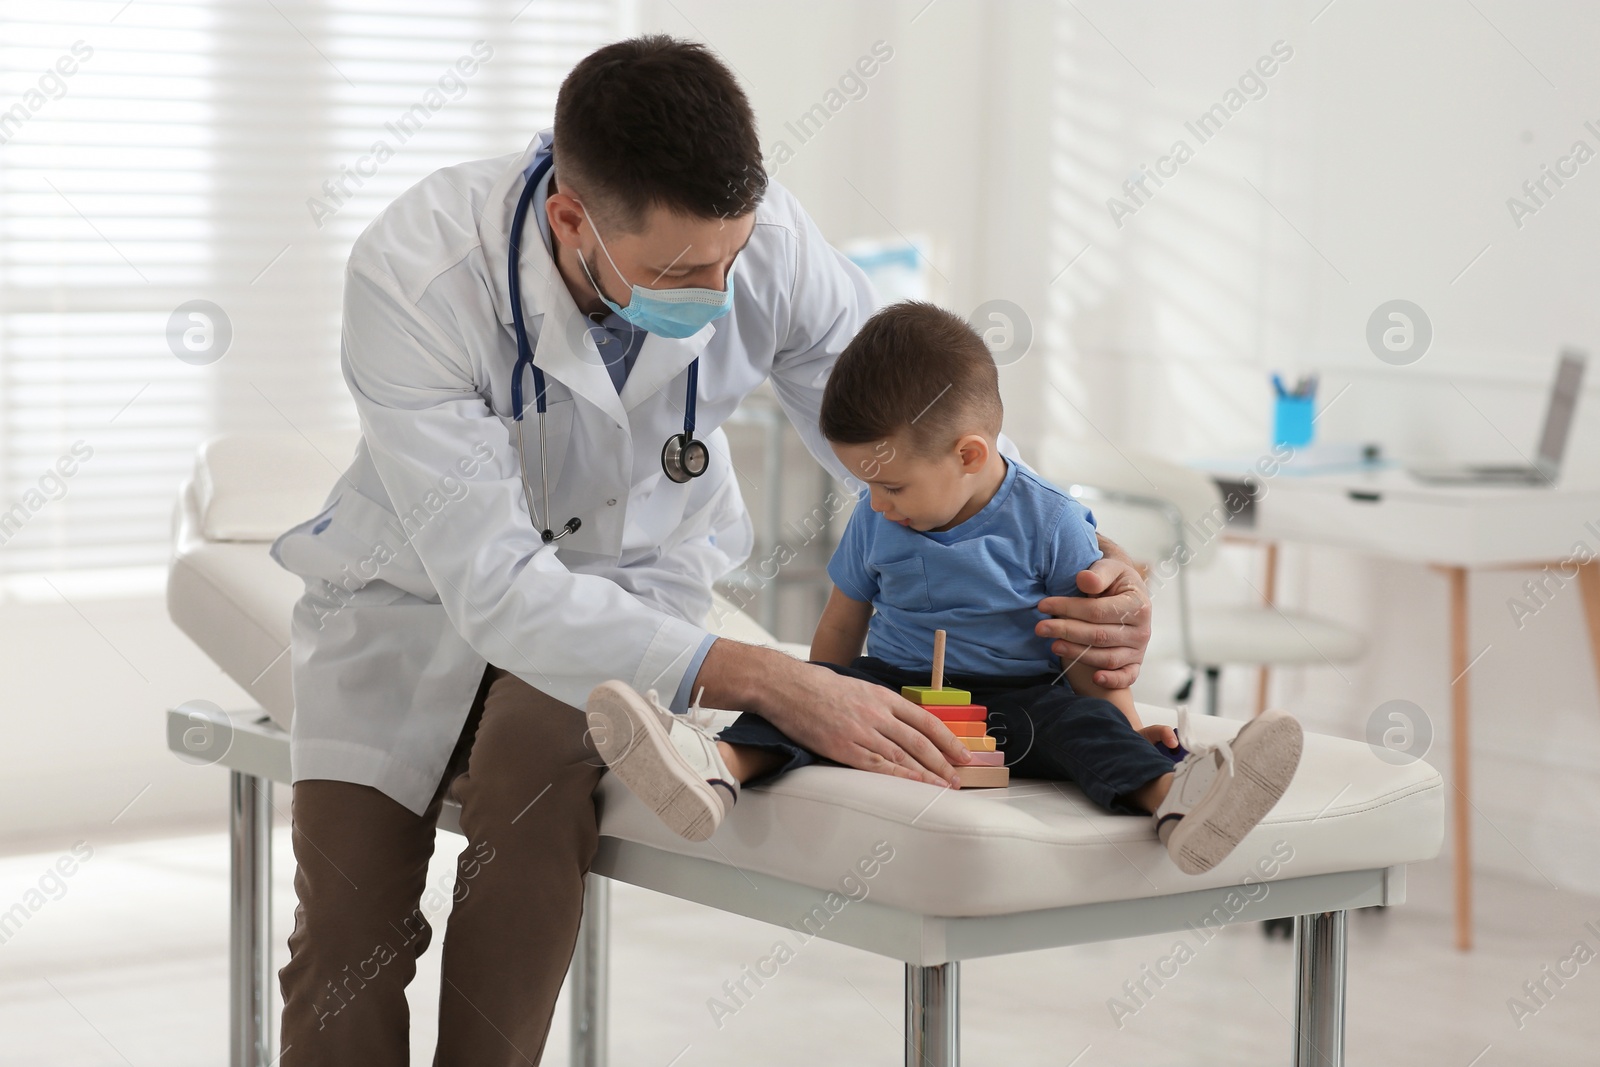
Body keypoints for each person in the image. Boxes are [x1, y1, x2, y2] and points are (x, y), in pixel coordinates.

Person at [270, 36, 1157, 1064]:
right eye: (681, 270)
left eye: (731, 256)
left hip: (629, 597)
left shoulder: (764, 242)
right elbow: (496, 584)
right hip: (406, 600)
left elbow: (925, 430)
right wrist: (777, 680)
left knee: (531, 791)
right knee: (346, 932)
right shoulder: (420, 273)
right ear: (571, 219)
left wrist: (1087, 557)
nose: (719, 287)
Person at [586, 301, 1303, 875]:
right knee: (796, 702)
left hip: (1015, 702)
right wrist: (822, 697)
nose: (878, 501)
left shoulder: (1051, 522)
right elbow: (841, 625)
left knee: (1081, 730)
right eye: (868, 483)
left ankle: (1178, 801)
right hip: (893, 691)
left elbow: (1092, 644)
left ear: (969, 455)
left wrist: (1123, 717)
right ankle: (712, 769)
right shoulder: (876, 514)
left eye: (892, 483)